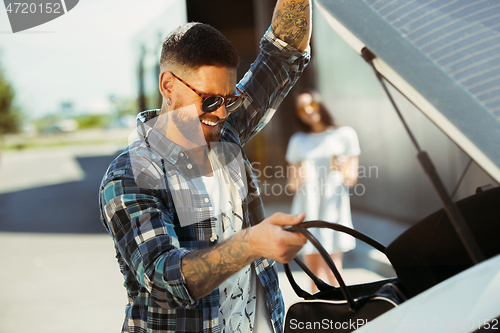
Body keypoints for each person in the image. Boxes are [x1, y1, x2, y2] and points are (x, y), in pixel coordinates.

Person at [99, 1, 311, 332]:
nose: (222, 113)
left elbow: (283, 54)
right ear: (168, 85)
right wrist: (252, 243)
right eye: (209, 100)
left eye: (230, 100)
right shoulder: (130, 176)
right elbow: (163, 279)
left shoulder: (222, 129)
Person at [285, 89, 360, 292]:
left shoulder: (344, 135)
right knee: (314, 276)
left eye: (312, 104)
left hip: (332, 209)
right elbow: (292, 185)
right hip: (307, 207)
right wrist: (299, 175)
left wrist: (343, 166)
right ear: (298, 115)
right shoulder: (298, 140)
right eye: (302, 109)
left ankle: (346, 316)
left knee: (334, 269)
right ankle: (321, 320)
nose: (308, 111)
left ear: (321, 104)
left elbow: (351, 179)